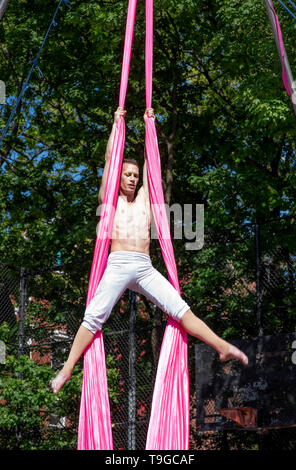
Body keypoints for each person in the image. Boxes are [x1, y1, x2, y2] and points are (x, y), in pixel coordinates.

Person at [51, 107, 248, 393]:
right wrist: (117, 126)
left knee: (180, 308)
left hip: (144, 267)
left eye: (135, 175)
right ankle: (67, 370)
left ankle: (222, 347)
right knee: (93, 317)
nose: (132, 178)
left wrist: (150, 127)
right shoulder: (110, 199)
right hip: (117, 264)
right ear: (119, 177)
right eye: (127, 174)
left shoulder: (144, 198)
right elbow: (110, 158)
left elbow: (153, 166)